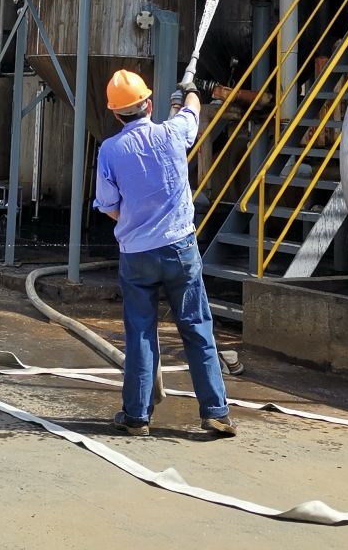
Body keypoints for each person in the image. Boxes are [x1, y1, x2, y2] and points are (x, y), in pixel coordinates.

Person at [94, 68, 234, 438]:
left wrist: (136, 219)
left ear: (115, 113)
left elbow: (109, 206)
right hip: (179, 248)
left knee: (140, 334)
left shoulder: (110, 151)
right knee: (196, 328)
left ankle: (137, 417)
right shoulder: (173, 133)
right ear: (148, 103)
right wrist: (189, 90)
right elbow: (193, 110)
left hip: (137, 254)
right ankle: (216, 413)